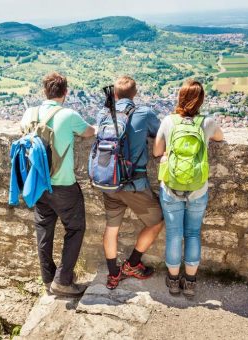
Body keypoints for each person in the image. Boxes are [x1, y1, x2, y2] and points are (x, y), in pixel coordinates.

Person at [20, 72, 96, 297]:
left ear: (45, 91)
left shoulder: (29, 113)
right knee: (75, 228)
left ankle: (48, 278)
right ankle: (62, 280)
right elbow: (90, 132)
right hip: (63, 186)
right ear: (65, 92)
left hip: (38, 184)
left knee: (44, 230)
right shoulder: (69, 115)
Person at [153, 79, 224, 298]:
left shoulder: (169, 121)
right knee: (193, 233)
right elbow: (220, 138)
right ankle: (190, 282)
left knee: (174, 235)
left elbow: (156, 151)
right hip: (198, 189)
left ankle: (174, 282)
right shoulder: (207, 122)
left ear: (180, 98)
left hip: (172, 187)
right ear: (201, 100)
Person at [101, 76, 164, 290]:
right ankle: (133, 264)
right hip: (133, 185)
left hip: (109, 182)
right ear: (135, 94)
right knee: (156, 221)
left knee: (111, 228)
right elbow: (162, 134)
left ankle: (112, 275)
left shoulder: (104, 113)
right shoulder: (144, 113)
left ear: (115, 94)